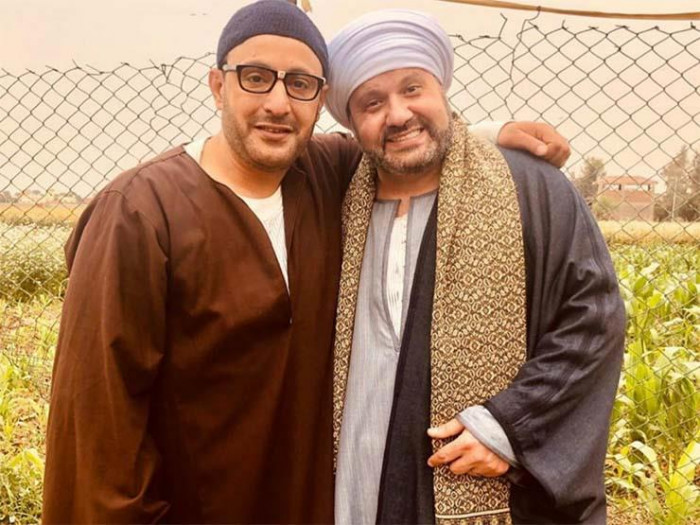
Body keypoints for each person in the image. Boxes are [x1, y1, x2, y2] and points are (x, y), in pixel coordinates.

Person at [42, 1, 571, 523]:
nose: (278, 103)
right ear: (218, 85)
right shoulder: (139, 212)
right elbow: (97, 423)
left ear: (320, 101)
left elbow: (398, 140)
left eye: (300, 84)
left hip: (306, 502)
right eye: (255, 78)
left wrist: (490, 134)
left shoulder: (323, 176)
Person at [327, 9, 625, 525]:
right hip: (357, 478)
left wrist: (510, 427)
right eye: (372, 103)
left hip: (488, 483)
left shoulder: (532, 188)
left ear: (441, 90)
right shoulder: (332, 197)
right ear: (352, 125)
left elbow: (592, 322)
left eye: (413, 88)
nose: (398, 114)